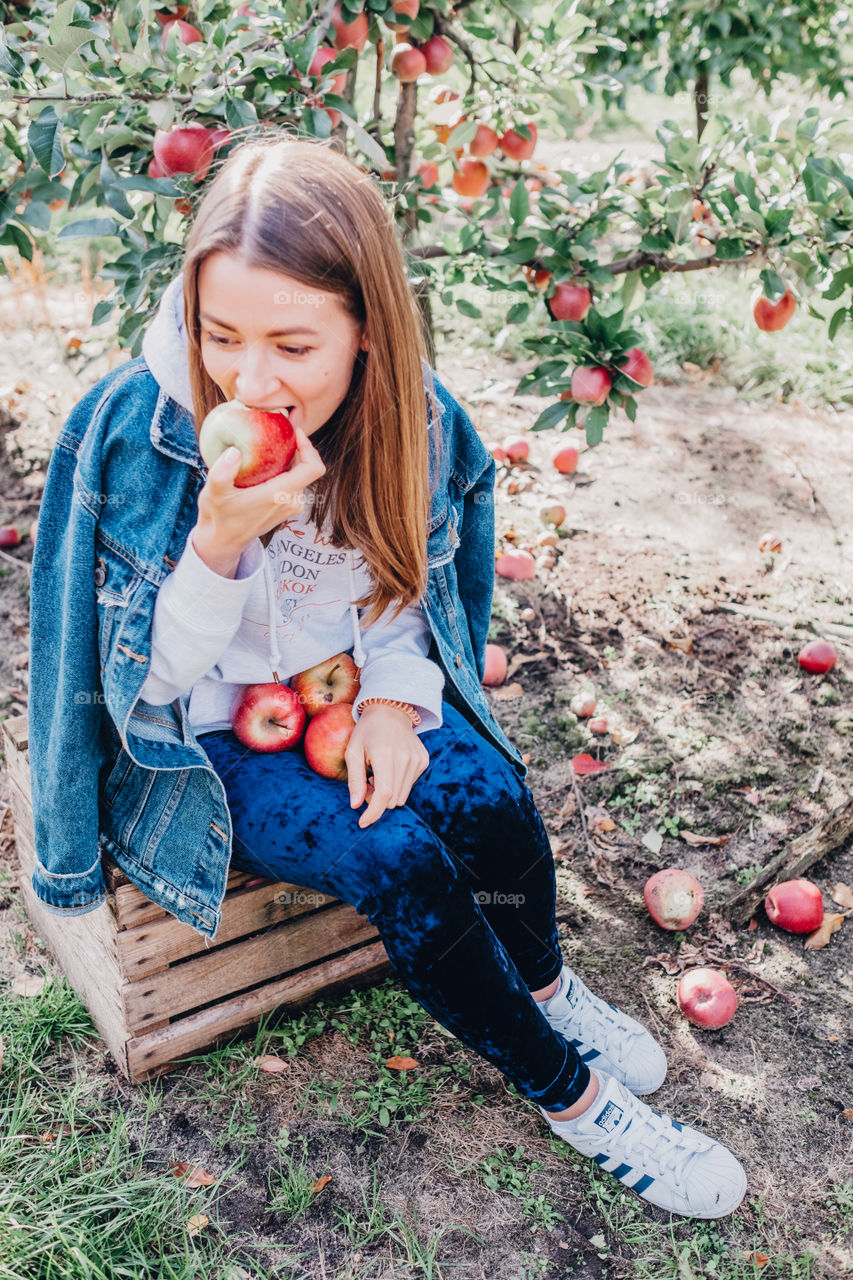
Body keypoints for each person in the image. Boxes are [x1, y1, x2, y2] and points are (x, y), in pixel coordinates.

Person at [28, 133, 746, 1220]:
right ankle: (574, 1094)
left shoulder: (411, 425)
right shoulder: (141, 433)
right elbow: (142, 690)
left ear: (366, 332)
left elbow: (409, 599)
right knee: (398, 857)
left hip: (347, 694)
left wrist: (398, 702)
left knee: (493, 794)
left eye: (292, 344)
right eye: (221, 335)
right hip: (210, 739)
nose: (250, 378)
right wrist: (216, 544)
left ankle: (548, 986)